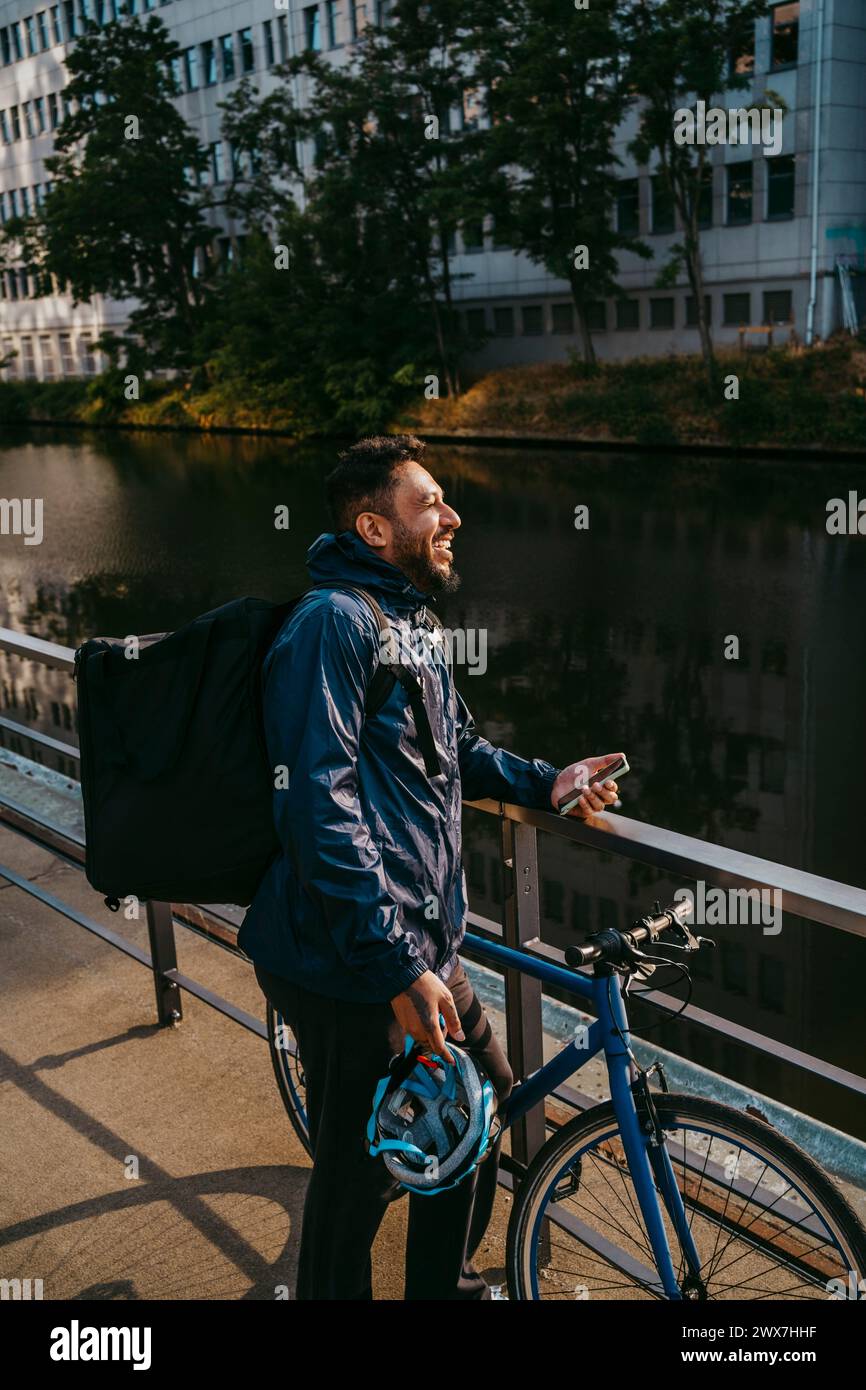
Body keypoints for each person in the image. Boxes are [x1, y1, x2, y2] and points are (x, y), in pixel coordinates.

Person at [238, 435, 621, 1300]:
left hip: (414, 945)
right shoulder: (333, 623)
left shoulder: (413, 620)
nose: (453, 518)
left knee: (477, 1114)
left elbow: (459, 751)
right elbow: (316, 806)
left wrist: (547, 781)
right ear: (375, 526)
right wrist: (398, 968)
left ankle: (436, 1288)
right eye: (430, 505)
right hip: (345, 956)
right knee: (363, 1172)